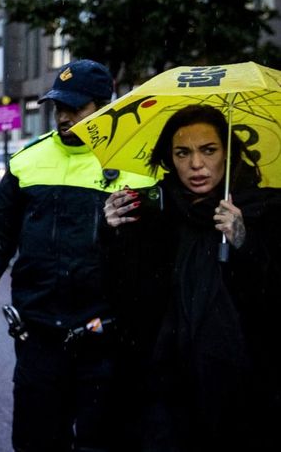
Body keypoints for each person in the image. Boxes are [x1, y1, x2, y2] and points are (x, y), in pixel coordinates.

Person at [0, 59, 156, 452]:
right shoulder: (27, 162)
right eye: (59, 108)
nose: (65, 117)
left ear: (105, 107)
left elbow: (154, 257)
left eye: (76, 108)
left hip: (107, 340)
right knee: (35, 442)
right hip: (39, 338)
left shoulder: (137, 168)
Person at [102, 104, 281, 451]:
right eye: (183, 153)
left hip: (243, 394)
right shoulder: (152, 214)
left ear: (228, 154)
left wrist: (245, 243)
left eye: (209, 150)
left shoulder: (265, 210)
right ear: (169, 159)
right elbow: (122, 296)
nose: (196, 165)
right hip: (166, 393)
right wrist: (110, 232)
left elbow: (271, 300)